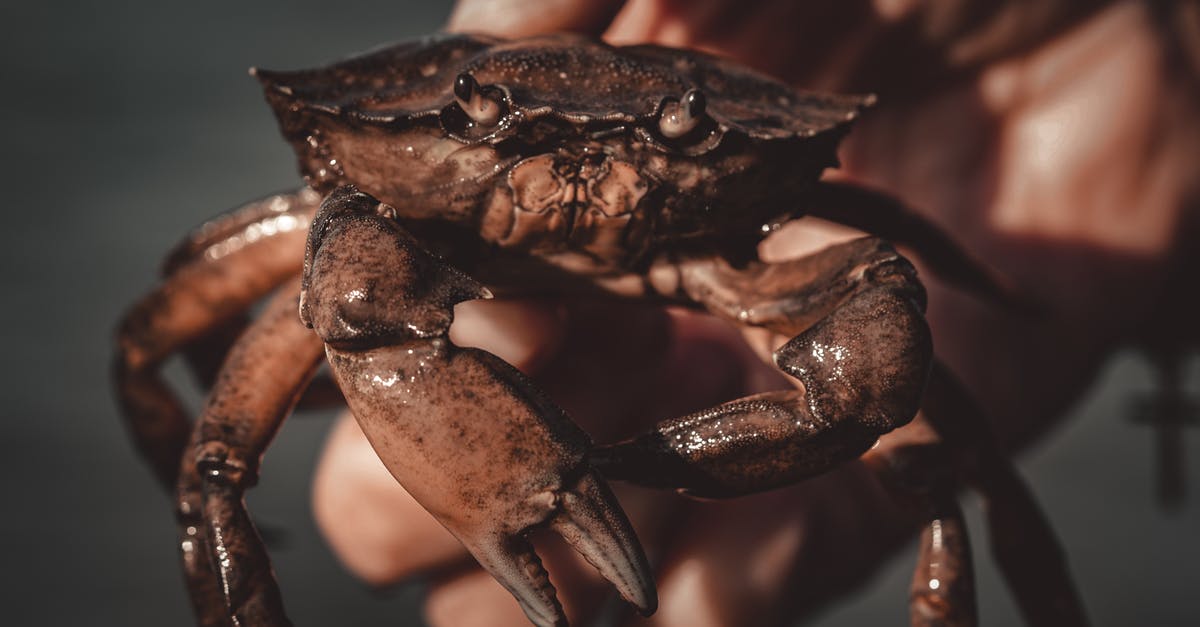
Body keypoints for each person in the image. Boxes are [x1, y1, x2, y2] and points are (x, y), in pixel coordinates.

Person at [312, 1, 1200, 625]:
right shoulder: (355, 239)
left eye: (675, 137)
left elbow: (874, 355)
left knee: (945, 470)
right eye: (493, 124)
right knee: (219, 467)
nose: (586, 178)